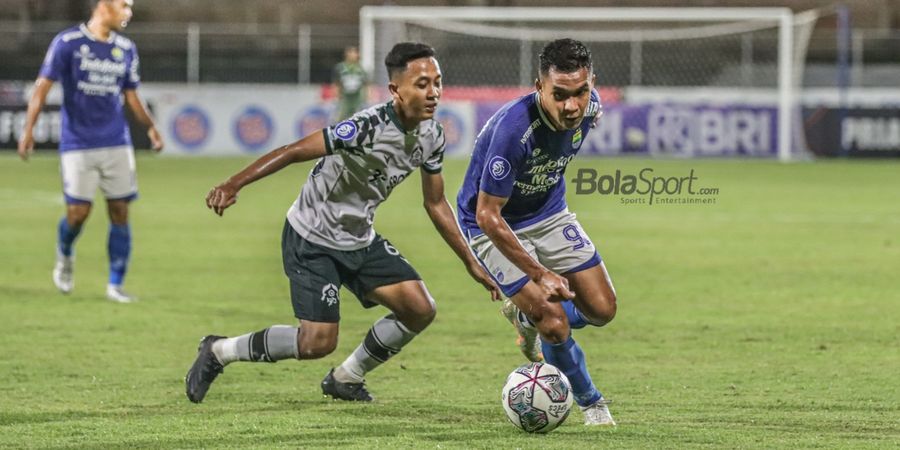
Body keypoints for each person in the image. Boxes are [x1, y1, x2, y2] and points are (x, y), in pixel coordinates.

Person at [185, 42, 499, 404]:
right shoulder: (366, 126)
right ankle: (219, 351)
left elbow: (435, 202)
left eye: (438, 82)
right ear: (396, 90)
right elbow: (293, 151)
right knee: (317, 343)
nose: (434, 93)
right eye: (423, 84)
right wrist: (233, 183)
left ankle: (346, 377)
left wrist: (470, 261)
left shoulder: (433, 136)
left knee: (419, 308)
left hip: (359, 238)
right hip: (312, 237)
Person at [455, 38, 617, 426]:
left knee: (602, 309)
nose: (572, 106)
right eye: (559, 95)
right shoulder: (514, 132)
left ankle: (526, 318)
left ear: (592, 82)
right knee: (555, 321)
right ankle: (592, 404)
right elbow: (488, 214)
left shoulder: (589, 108)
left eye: (581, 92)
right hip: (490, 222)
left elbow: (583, 118)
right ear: (538, 87)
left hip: (547, 211)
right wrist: (540, 274)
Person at [17, 0, 163, 303]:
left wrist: (150, 127)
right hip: (77, 143)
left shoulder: (126, 49)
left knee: (120, 212)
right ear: (104, 6)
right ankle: (65, 254)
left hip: (116, 142)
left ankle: (115, 285)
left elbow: (132, 94)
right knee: (78, 213)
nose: (129, 13)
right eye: (124, 5)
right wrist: (28, 129)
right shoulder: (67, 43)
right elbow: (42, 86)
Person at [332, 46, 368, 121]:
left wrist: (365, 97)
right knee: (339, 119)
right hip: (345, 98)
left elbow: (365, 84)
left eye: (356, 53)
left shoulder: (361, 68)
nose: (355, 55)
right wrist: (337, 95)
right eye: (352, 52)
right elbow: (337, 83)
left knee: (358, 119)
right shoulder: (340, 67)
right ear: (347, 54)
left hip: (357, 98)